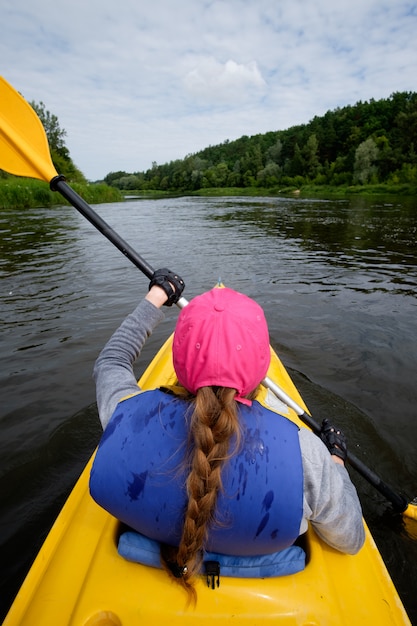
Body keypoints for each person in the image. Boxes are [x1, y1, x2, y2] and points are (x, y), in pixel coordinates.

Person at [91, 269, 365, 599]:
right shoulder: (307, 454)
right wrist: (335, 459)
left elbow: (111, 361)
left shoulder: (123, 414)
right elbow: (350, 540)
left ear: (179, 362)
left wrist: (157, 296)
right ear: (261, 368)